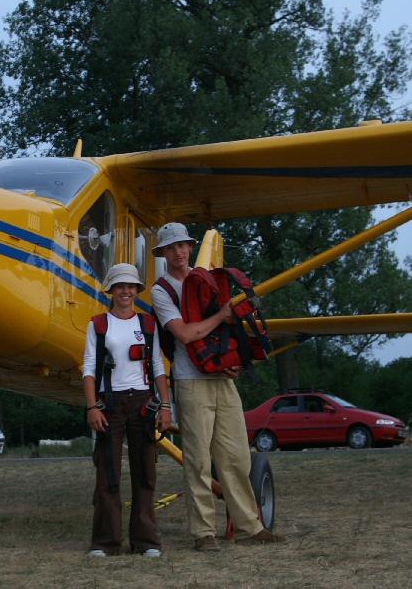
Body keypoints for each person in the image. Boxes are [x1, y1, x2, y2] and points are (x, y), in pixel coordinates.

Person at [150, 223, 285, 550]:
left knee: (238, 456)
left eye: (183, 245)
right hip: (189, 380)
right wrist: (223, 315)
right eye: (172, 248)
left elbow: (223, 329)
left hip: (221, 379)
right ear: (164, 254)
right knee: (197, 460)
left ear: (189, 248)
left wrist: (232, 360)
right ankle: (203, 533)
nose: (180, 252)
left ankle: (249, 527)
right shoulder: (161, 290)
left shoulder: (206, 278)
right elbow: (184, 334)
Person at [82, 263, 172, 557]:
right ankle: (106, 542)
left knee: (145, 472)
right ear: (111, 290)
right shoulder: (97, 324)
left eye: (131, 286)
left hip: (143, 403)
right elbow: (89, 369)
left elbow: (158, 366)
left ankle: (145, 541)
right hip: (110, 403)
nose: (125, 291)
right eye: (120, 286)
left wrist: (166, 405)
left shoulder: (147, 325)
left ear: (136, 290)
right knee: (108, 473)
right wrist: (92, 406)